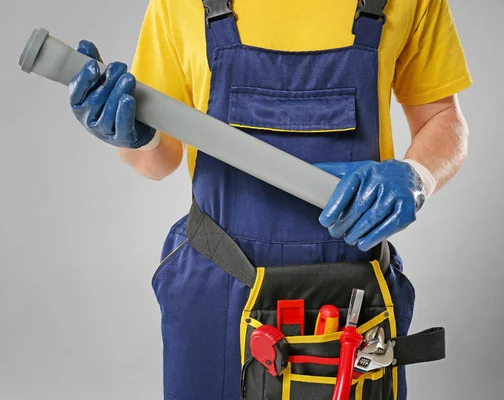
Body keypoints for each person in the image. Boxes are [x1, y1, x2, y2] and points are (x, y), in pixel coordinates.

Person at [68, 0, 471, 398]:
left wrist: (417, 176)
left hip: (350, 302)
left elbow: (442, 118)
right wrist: (137, 134)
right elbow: (156, 162)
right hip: (216, 289)